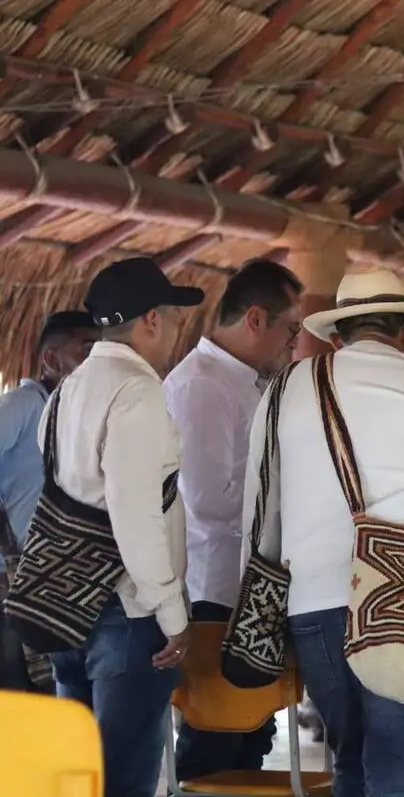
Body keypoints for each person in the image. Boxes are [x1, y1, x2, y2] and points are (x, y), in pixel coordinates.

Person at [243, 265, 404, 797]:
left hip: (314, 598)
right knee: (393, 767)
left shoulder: (285, 389)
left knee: (348, 759)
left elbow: (259, 509)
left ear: (337, 337)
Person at [45, 257, 203, 797]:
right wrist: (172, 612)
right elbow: (134, 512)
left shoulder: (66, 390)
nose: (178, 332)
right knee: (122, 781)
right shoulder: (137, 393)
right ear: (151, 321)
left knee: (77, 780)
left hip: (65, 602)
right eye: (175, 320)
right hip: (127, 612)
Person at [165, 259, 303, 780]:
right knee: (212, 747)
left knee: (251, 741)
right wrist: (285, 491)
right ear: (254, 319)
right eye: (290, 329)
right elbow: (206, 501)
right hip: (214, 593)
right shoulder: (203, 386)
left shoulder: (246, 381)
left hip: (246, 588)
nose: (293, 343)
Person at [0, 310, 97, 692]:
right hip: (11, 581)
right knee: (20, 701)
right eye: (86, 351)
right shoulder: (25, 404)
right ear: (52, 360)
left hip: (56, 584)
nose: (96, 363)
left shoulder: (76, 417)